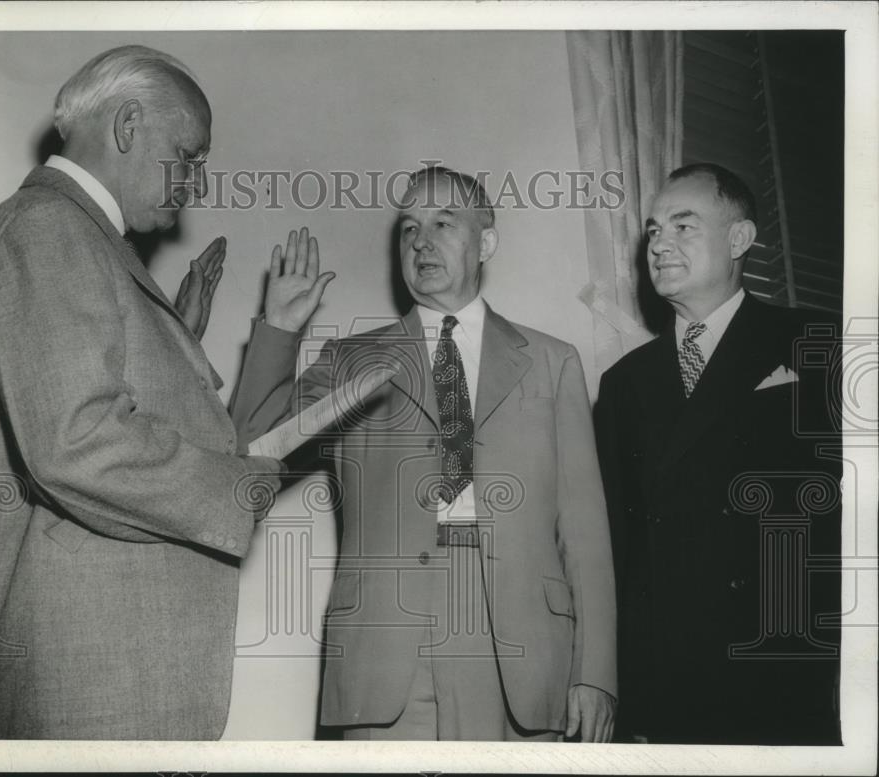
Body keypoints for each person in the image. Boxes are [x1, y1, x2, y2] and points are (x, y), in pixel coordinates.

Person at [0, 45, 286, 740]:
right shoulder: (45, 228)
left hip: (105, 669)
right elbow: (76, 441)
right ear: (128, 125)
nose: (194, 181)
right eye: (186, 155)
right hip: (90, 678)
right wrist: (235, 490)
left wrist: (176, 337)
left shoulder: (77, 238)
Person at [231, 166, 617, 741]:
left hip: (521, 664)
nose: (420, 240)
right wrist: (280, 330)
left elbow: (585, 534)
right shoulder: (350, 360)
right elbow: (252, 455)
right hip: (387, 663)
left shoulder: (551, 362)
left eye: (443, 222)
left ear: (486, 241)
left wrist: (596, 673)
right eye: (408, 227)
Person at [594, 163, 842, 745]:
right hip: (664, 678)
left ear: (739, 240)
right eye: (653, 231)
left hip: (780, 670)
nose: (660, 245)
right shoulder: (624, 382)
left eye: (683, 226)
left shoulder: (816, 344)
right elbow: (616, 546)